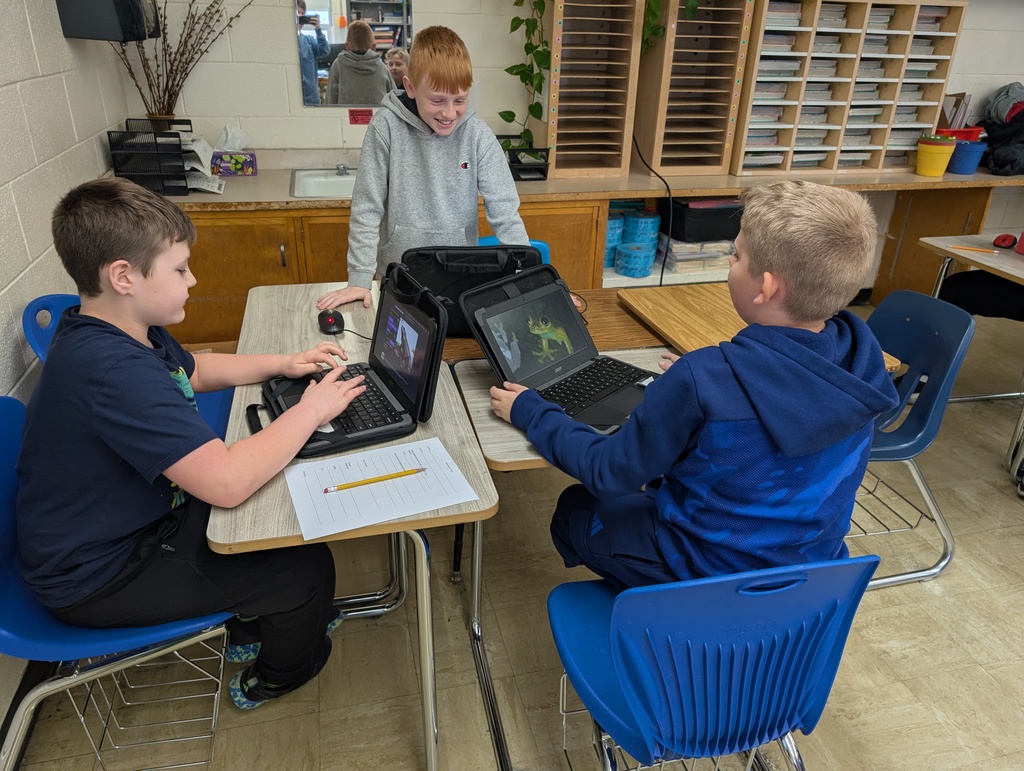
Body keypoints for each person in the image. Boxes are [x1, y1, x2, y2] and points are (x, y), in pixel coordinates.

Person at [16, 177, 368, 710]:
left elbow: (195, 368)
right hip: (97, 574)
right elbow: (225, 483)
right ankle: (278, 674)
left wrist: (283, 362)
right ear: (123, 276)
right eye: (180, 269)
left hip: (131, 520)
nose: (193, 278)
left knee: (281, 521)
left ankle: (260, 617)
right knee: (304, 569)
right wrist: (311, 408)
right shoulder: (112, 370)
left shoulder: (113, 324)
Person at [488, 180, 900, 590]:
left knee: (576, 507)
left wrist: (533, 411)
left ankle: (660, 613)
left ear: (767, 287)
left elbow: (608, 472)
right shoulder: (861, 363)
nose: (730, 264)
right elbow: (789, 397)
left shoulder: (704, 378)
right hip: (808, 571)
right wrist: (713, 379)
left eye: (736, 256)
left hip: (704, 574)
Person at [316, 25, 529, 310]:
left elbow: (505, 211)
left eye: (460, 100)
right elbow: (367, 208)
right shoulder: (386, 127)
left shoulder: (477, 133)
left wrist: (532, 279)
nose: (449, 112)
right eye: (438, 100)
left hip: (460, 275)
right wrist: (359, 279)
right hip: (399, 274)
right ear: (410, 87)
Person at [325, 20, 394, 105]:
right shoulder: (381, 66)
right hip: (379, 116)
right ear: (374, 46)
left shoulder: (338, 65)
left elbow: (330, 99)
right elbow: (394, 100)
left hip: (345, 116)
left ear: (347, 46)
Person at [296, 0, 329, 105]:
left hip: (312, 99)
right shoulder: (285, 41)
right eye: (297, 13)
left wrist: (318, 29)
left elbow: (324, 51)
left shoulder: (309, 40)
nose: (300, 17)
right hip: (293, 97)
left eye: (302, 14)